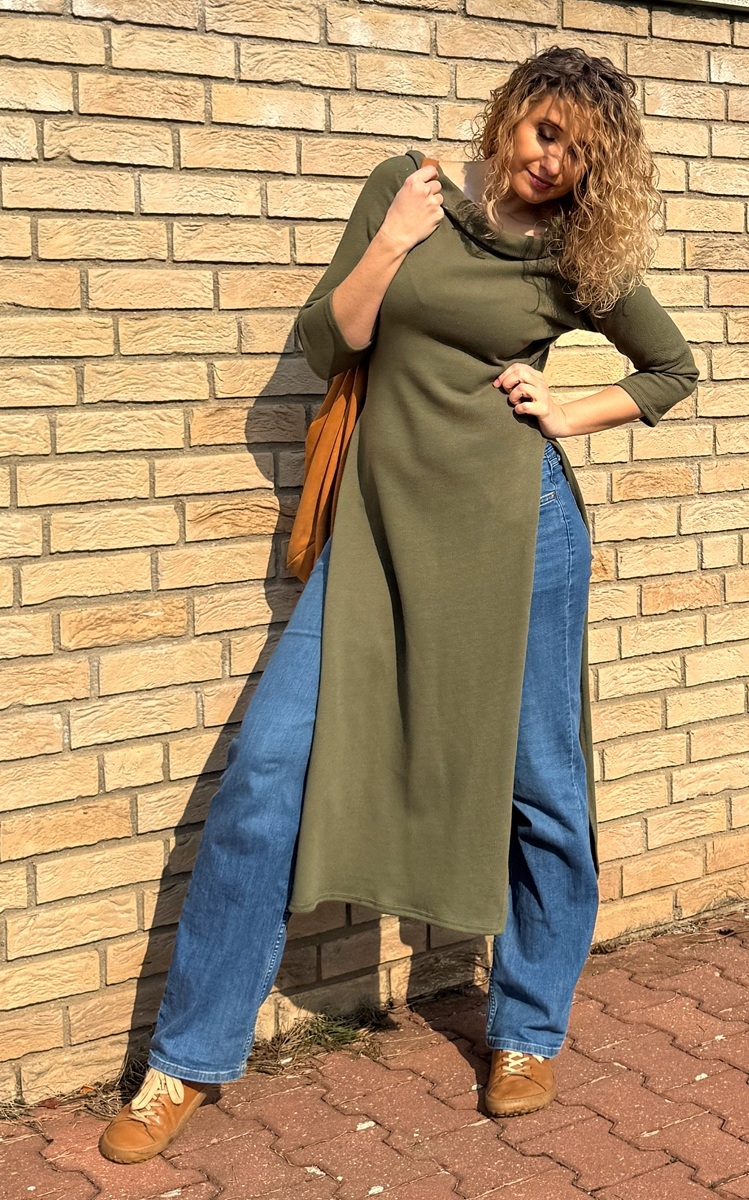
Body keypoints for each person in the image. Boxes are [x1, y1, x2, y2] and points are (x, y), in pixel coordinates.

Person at [98, 45, 698, 1164]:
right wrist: (389, 244)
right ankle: (186, 1059)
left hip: (521, 537)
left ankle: (525, 1033)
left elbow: (671, 368)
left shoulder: (576, 254)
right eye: (545, 132)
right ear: (510, 112)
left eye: (579, 153)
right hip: (377, 531)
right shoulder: (407, 188)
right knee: (266, 775)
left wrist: (568, 410)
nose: (552, 162)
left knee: (541, 787)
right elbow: (329, 338)